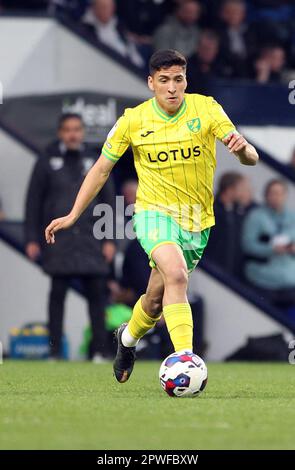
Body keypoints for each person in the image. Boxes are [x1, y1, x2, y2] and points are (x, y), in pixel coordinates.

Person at [45, 49, 258, 383]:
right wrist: (73, 214)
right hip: (152, 215)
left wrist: (244, 149)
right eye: (164, 81)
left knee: (156, 300)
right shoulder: (133, 119)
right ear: (151, 83)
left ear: (185, 80)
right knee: (176, 275)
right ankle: (186, 360)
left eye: (178, 79)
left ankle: (127, 339)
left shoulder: (207, 108)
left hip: (195, 220)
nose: (172, 88)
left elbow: (250, 158)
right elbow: (101, 169)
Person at [26, 113, 116, 361]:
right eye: (68, 130)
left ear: (83, 131)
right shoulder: (47, 160)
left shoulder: (95, 159)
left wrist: (110, 239)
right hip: (59, 239)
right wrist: (32, 238)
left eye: (77, 129)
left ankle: (99, 351)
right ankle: (54, 351)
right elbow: (33, 201)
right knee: (57, 295)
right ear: (60, 133)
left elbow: (108, 201)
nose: (73, 134)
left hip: (91, 239)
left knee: (98, 296)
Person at [242, 179, 295, 308]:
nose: (277, 197)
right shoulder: (256, 217)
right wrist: (271, 249)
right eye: (273, 193)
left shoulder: (292, 217)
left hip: (289, 280)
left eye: (280, 193)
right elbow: (247, 245)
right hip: (263, 279)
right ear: (266, 195)